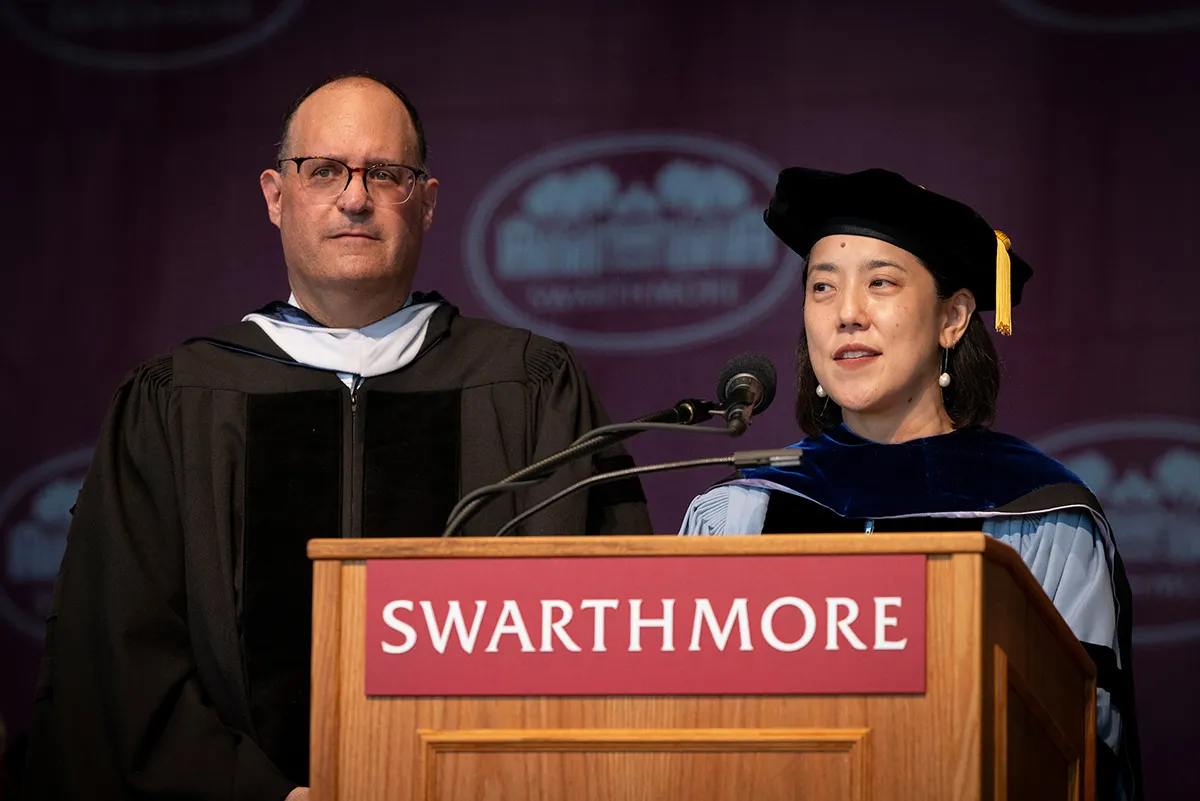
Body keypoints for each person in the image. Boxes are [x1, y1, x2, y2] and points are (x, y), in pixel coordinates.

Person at [22, 71, 651, 801]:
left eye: (386, 173)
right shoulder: (177, 401)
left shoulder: (530, 389)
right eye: (324, 171)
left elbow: (599, 630)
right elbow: (118, 655)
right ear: (275, 195)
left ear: (428, 201)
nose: (355, 196)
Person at [679, 166, 1142, 800]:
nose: (847, 314)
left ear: (953, 319)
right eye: (822, 287)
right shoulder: (742, 512)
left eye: (881, 284)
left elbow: (1083, 748)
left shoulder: (1038, 516)